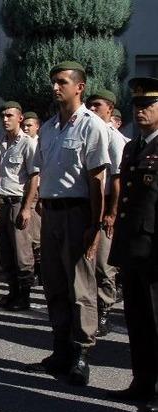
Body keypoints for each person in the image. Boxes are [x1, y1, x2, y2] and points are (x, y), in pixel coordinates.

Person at [22, 62, 110, 386]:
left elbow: (97, 179)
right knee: (54, 283)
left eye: (61, 82)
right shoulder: (47, 128)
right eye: (53, 82)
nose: (55, 88)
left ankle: (81, 354)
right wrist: (32, 207)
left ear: (79, 87)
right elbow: (39, 173)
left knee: (80, 286)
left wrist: (95, 226)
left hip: (78, 212)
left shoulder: (91, 126)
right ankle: (59, 350)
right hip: (52, 214)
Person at [107, 76, 158, 412]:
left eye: (148, 106)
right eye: (137, 106)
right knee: (137, 320)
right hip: (134, 246)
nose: (140, 111)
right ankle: (142, 382)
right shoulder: (133, 146)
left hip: (155, 249)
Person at [86, 89, 127, 336]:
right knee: (88, 263)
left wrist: (111, 213)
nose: (92, 110)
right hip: (91, 204)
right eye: (89, 105)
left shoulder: (112, 137)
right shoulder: (91, 133)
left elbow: (118, 179)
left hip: (107, 205)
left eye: (97, 106)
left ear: (110, 109)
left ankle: (103, 311)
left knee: (103, 264)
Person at [0, 101, 37, 311]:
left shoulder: (27, 143)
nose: (5, 119)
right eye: (2, 116)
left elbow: (34, 177)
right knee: (4, 251)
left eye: (9, 115)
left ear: (20, 118)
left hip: (18, 203)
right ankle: (12, 292)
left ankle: (24, 296)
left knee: (22, 253)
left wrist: (27, 208)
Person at [22, 111, 43, 283]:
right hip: (26, 192)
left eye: (29, 125)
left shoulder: (39, 144)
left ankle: (39, 270)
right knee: (27, 235)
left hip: (38, 193)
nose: (26, 128)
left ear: (37, 126)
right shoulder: (22, 143)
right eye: (24, 125)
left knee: (36, 235)